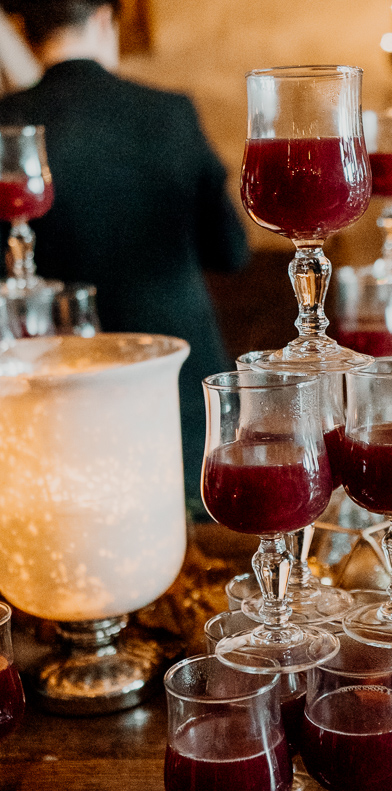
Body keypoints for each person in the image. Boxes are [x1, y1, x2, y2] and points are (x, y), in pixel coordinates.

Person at [0, 0, 250, 518]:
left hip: (55, 385)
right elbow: (230, 251)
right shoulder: (170, 112)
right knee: (195, 541)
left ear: (29, 30)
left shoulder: (7, 122)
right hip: (175, 380)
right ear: (103, 21)